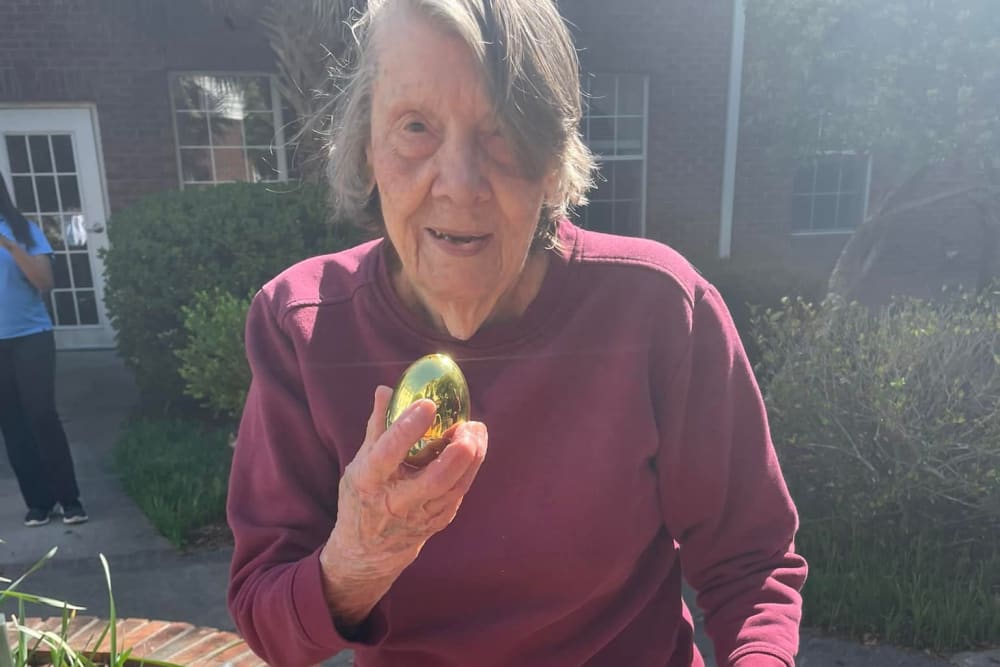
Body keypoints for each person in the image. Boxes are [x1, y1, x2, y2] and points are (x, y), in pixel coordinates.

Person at [227, 1, 807, 665]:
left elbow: (751, 562)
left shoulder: (660, 311)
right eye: (415, 127)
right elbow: (267, 621)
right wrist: (357, 557)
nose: (461, 183)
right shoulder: (301, 327)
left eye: (501, 132)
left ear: (554, 159)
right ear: (366, 147)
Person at [0, 175, 87, 527]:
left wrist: (9, 245)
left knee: (41, 415)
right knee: (12, 423)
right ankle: (38, 502)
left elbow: (44, 283)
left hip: (31, 336)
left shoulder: (24, 231)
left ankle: (69, 500)